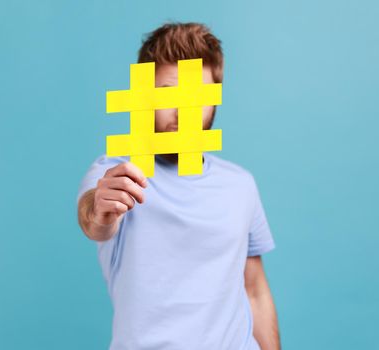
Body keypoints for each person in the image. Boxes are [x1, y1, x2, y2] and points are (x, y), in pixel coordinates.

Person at [76, 22, 280, 350]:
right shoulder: (115, 173)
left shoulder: (240, 185)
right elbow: (93, 219)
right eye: (168, 94)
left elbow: (254, 289)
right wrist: (100, 210)